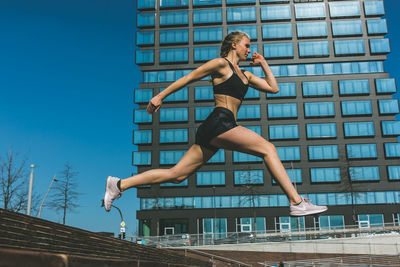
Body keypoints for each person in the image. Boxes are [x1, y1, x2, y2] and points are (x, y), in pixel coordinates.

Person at [104, 31, 327, 217]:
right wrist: (159, 96)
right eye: (247, 45)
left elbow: (273, 88)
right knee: (268, 149)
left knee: (177, 175)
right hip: (220, 122)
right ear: (234, 45)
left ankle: (119, 184)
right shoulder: (221, 64)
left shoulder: (246, 75)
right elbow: (188, 78)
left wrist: (264, 63)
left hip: (218, 127)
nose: (249, 50)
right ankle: (297, 203)